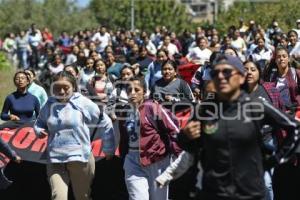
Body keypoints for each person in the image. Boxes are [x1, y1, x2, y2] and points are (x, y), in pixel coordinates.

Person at [178, 55, 300, 200]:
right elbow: (191, 147)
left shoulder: (255, 106)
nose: (221, 77)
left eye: (227, 72)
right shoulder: (205, 110)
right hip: (214, 192)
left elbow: (295, 128)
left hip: (249, 192)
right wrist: (185, 136)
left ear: (241, 77)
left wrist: (274, 161)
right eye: (216, 73)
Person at [34, 71, 115, 200]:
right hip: (55, 158)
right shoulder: (49, 104)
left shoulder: (83, 103)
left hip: (80, 158)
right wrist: (39, 131)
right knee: (58, 197)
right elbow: (39, 123)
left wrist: (109, 148)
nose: (61, 92)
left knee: (82, 197)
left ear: (73, 87)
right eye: (57, 88)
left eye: (65, 88)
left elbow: (105, 121)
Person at [122, 77, 181, 200]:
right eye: (129, 90)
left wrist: (179, 155)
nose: (132, 93)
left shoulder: (153, 108)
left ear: (144, 92)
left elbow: (174, 129)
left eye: (136, 89)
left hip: (156, 159)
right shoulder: (125, 111)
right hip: (132, 160)